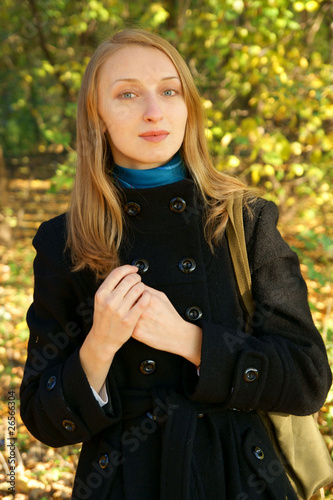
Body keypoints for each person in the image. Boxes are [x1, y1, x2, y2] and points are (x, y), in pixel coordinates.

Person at [20, 28, 332, 500]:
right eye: (127, 94)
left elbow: (308, 379)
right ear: (96, 117)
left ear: (189, 107)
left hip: (241, 480)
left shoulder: (246, 221)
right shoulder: (64, 241)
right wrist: (98, 346)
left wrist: (190, 341)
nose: (154, 111)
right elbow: (43, 419)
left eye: (169, 90)